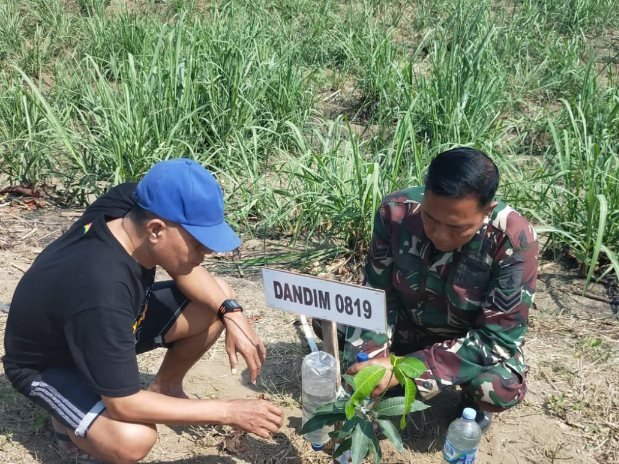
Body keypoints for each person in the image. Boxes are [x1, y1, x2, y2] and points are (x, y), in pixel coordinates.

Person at [2, 158, 283, 463]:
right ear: (155, 230)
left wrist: (232, 312)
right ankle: (67, 423)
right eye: (199, 244)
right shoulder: (101, 289)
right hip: (50, 363)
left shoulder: (132, 204)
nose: (207, 253)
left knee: (216, 300)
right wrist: (227, 410)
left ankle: (166, 389)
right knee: (132, 439)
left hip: (101, 327)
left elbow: (195, 275)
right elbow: (123, 403)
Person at [343, 147, 538, 431]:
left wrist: (409, 370)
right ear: (425, 195)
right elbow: (377, 297)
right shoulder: (395, 212)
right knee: (346, 342)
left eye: (457, 227)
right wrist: (373, 364)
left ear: (487, 209)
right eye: (430, 219)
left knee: (496, 387)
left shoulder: (513, 240)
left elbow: (497, 340)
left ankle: (469, 404)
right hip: (409, 324)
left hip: (465, 340)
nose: (439, 234)